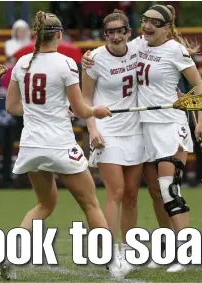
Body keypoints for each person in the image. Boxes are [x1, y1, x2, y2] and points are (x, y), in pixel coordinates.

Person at [83, 4, 202, 274]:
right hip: (145, 130)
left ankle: (187, 252)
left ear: (166, 27)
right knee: (154, 192)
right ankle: (166, 249)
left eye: (155, 23)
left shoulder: (175, 50)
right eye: (145, 21)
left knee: (168, 189)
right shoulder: (139, 44)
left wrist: (200, 120)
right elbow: (110, 50)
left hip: (171, 126)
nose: (148, 26)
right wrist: (87, 58)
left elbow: (198, 86)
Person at [5, 11, 116, 280]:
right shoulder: (66, 63)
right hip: (59, 144)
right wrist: (96, 111)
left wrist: (45, 111)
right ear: (58, 34)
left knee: (44, 204)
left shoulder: (21, 63)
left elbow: (11, 107)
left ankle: (10, 256)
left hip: (31, 146)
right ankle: (111, 263)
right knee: (90, 204)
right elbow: (80, 109)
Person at [81, 9, 143, 276]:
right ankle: (110, 251)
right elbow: (85, 100)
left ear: (129, 31)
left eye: (120, 30)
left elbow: (163, 39)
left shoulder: (140, 48)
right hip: (108, 132)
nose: (116, 36)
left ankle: (130, 250)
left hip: (136, 130)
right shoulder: (94, 59)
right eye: (111, 32)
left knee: (131, 193)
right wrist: (92, 128)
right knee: (115, 192)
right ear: (105, 34)